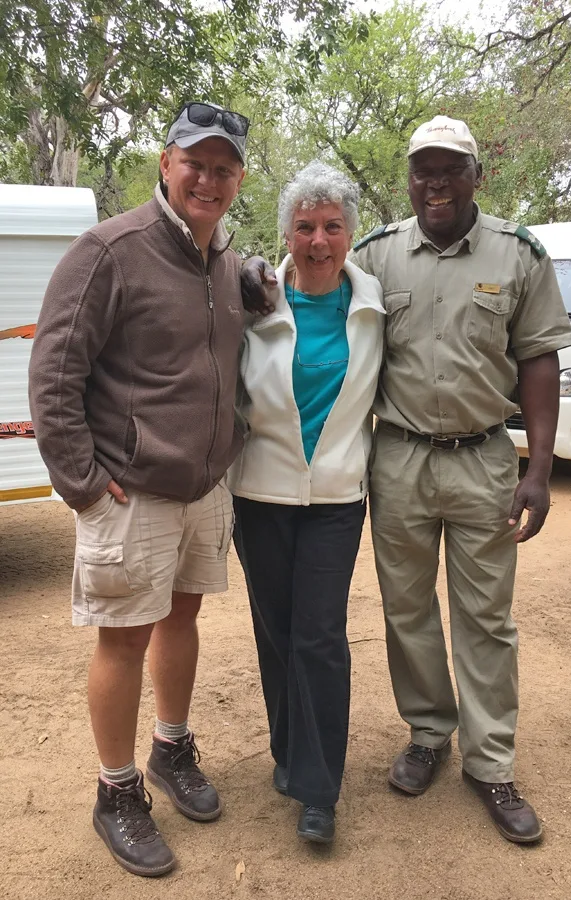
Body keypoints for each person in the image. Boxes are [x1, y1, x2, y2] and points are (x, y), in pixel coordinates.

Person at [240, 116, 571, 844]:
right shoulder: (379, 256)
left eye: (451, 169)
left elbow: (540, 358)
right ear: (409, 179)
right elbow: (308, 278)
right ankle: (428, 733)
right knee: (408, 611)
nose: (436, 183)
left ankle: (490, 763)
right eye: (423, 170)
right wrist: (253, 274)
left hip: (485, 455)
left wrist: (540, 467)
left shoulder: (519, 254)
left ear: (476, 176)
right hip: (398, 460)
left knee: (486, 616)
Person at [29, 101, 248, 877]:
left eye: (224, 168)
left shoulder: (223, 259)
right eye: (196, 162)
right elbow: (54, 375)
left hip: (203, 489)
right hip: (130, 495)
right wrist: (83, 485)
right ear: (166, 162)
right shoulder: (107, 251)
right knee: (122, 637)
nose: (208, 178)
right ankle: (115, 791)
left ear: (238, 179)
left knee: (181, 617)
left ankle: (170, 747)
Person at [229, 161, 385, 844]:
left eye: (331, 226)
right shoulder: (256, 300)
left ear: (350, 232)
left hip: (335, 498)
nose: (318, 240)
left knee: (319, 637)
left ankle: (319, 792)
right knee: (277, 632)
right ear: (286, 232)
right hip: (260, 492)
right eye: (304, 226)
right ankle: (288, 756)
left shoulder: (376, 305)